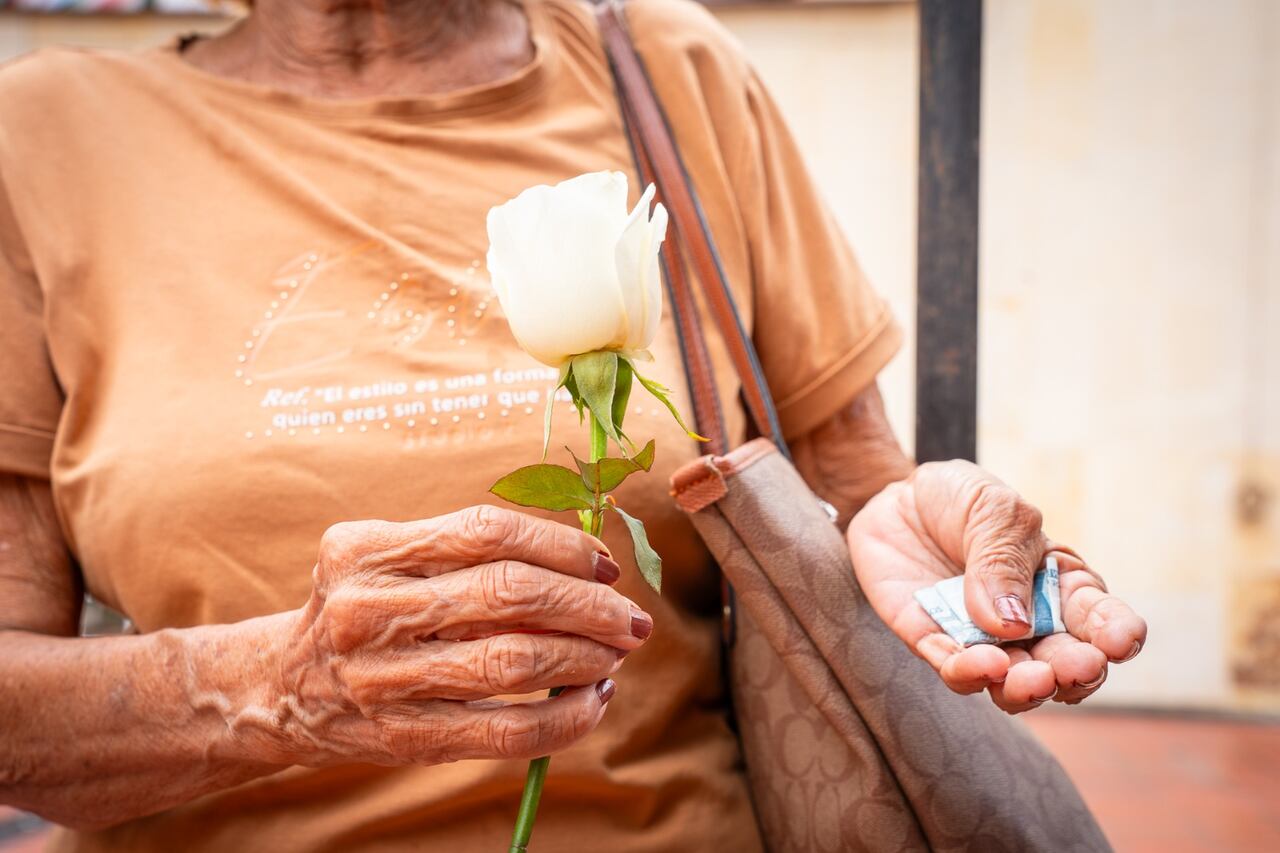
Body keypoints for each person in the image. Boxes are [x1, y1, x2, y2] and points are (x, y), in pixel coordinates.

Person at [0, 0, 1146, 850]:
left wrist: (905, 546)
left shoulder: (673, 75)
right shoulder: (45, 136)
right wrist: (284, 684)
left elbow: (851, 482)